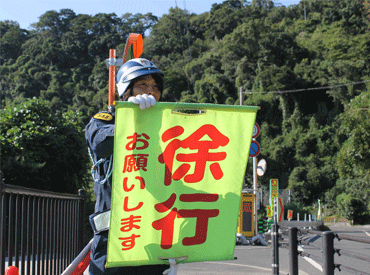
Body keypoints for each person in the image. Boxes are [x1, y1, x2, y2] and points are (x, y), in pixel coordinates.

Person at [85, 58, 169, 275]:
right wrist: (134, 120)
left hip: (153, 234)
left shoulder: (167, 125)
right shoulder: (104, 120)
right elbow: (101, 144)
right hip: (114, 238)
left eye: (155, 87)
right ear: (126, 89)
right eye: (143, 85)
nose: (151, 92)